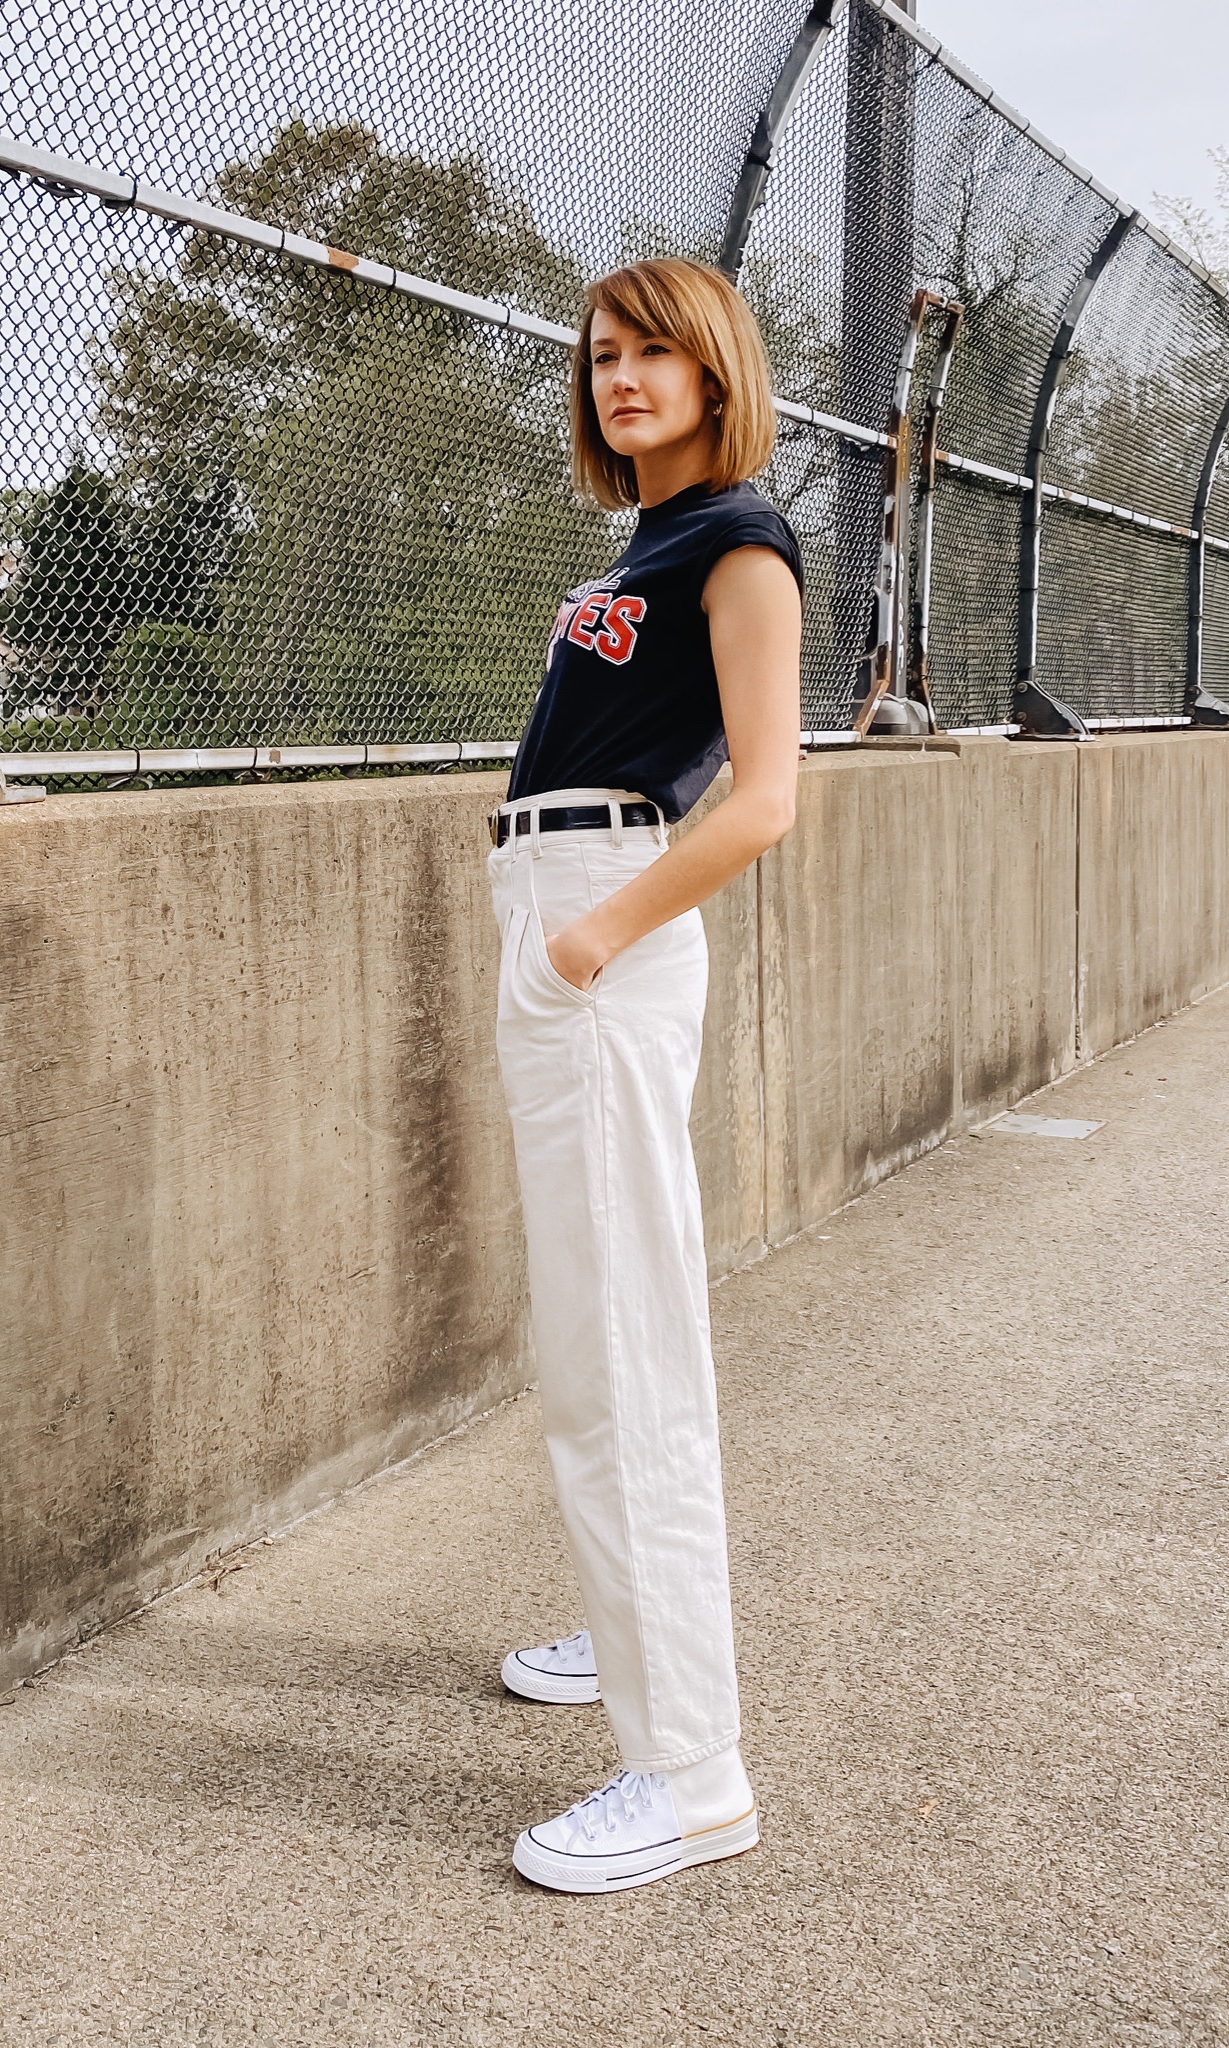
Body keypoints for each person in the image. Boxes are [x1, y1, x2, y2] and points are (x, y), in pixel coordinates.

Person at [488, 256, 804, 1895]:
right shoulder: (652, 538)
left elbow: (763, 799)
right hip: (554, 920)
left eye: (652, 352)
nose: (620, 377)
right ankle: (630, 1639)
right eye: (603, 355)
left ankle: (689, 1771)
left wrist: (585, 945)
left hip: (598, 926)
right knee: (584, 1337)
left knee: (631, 1353)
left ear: (713, 369)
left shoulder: (741, 540)